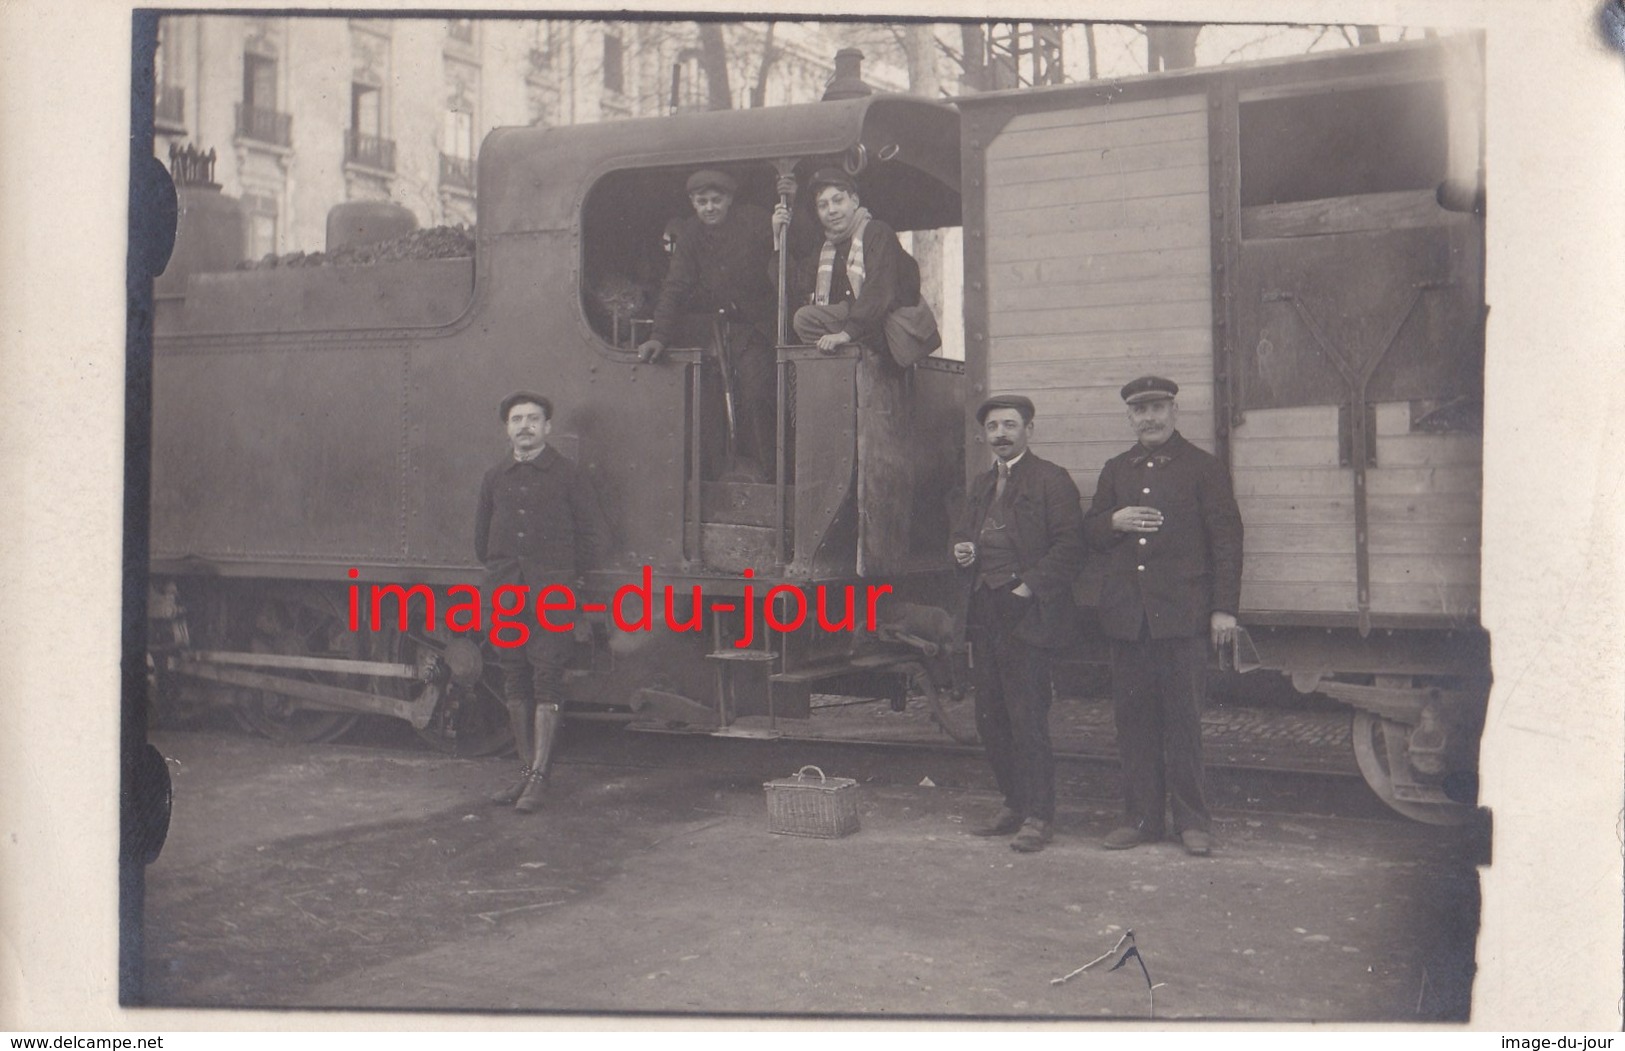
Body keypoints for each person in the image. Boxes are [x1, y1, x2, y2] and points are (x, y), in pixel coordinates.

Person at [1083, 376, 1244, 856]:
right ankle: (1141, 819)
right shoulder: (1116, 470)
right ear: (1129, 418)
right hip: (1129, 620)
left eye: (1157, 408)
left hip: (1183, 618)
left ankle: (1193, 823)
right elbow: (1089, 532)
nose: (1149, 418)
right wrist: (1113, 521)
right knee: (1132, 722)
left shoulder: (1203, 468)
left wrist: (1223, 610)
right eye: (1139, 411)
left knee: (1183, 723)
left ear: (1175, 411)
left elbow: (1227, 541)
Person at [952, 394, 1086, 853]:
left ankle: (1038, 816)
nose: (1001, 434)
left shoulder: (1052, 480)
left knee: (1027, 716)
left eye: (1010, 425)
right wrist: (962, 550)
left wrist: (1027, 587)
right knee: (990, 716)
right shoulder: (981, 484)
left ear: (1030, 429)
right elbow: (965, 534)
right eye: (993, 428)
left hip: (1028, 611)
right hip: (986, 611)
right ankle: (1013, 802)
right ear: (984, 436)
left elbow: (1070, 547)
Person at [475, 391, 604, 814]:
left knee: (547, 678)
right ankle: (525, 772)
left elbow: (591, 536)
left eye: (533, 419)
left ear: (548, 428)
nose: (525, 426)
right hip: (507, 594)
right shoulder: (495, 477)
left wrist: (562, 578)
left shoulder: (568, 475)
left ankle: (539, 778)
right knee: (513, 677)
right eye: (517, 420)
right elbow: (482, 541)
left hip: (553, 595)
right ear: (507, 429)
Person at [636, 169, 780, 478]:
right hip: (724, 329)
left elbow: (791, 246)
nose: (709, 208)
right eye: (702, 202)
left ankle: (772, 474)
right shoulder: (690, 234)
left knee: (758, 393)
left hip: (761, 326)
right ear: (693, 203)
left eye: (716, 200)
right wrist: (658, 337)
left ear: (729, 199)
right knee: (712, 397)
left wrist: (786, 215)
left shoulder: (755, 220)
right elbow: (675, 286)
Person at [772, 168, 940, 366]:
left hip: (885, 326)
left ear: (854, 201)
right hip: (856, 326)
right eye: (823, 205)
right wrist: (777, 238)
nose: (831, 210)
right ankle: (841, 366)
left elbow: (878, 289)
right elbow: (795, 284)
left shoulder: (876, 232)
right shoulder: (826, 247)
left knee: (810, 318)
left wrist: (846, 334)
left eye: (838, 200)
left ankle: (851, 363)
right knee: (804, 319)